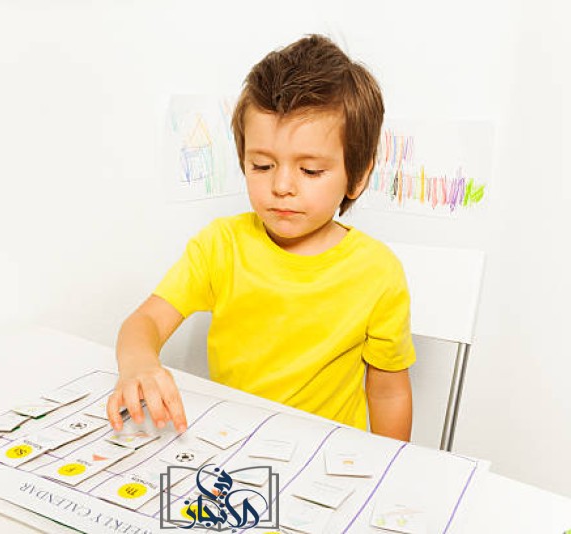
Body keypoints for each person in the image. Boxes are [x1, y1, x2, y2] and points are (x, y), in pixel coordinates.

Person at [107, 34, 415, 441]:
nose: (282, 186)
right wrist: (139, 365)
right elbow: (144, 321)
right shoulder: (221, 246)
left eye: (310, 171)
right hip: (232, 444)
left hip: (325, 455)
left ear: (357, 177)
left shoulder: (378, 272)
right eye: (263, 165)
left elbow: (389, 392)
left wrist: (391, 466)